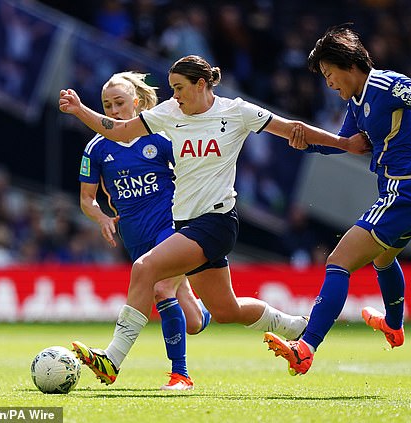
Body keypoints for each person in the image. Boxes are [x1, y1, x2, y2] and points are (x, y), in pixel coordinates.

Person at [58, 55, 371, 386]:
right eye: (172, 89)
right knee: (226, 311)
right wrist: (80, 110)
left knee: (146, 270)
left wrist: (344, 143)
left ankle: (113, 359)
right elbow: (120, 132)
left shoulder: (236, 111)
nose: (174, 95)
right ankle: (298, 326)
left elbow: (292, 128)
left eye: (179, 88)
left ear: (201, 84)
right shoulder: (169, 114)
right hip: (188, 224)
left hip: (216, 221)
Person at [263, 25, 411, 376]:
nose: (329, 84)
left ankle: (306, 347)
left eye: (329, 74)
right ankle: (394, 325)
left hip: (406, 189)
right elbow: (346, 143)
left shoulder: (387, 84)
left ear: (348, 65)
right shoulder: (356, 103)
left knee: (339, 261)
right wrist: (305, 142)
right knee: (382, 259)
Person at [75, 71, 212, 390]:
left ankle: (181, 375)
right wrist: (102, 218)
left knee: (162, 289)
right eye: (107, 105)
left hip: (172, 226)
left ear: (136, 103)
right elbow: (86, 199)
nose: (113, 110)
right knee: (190, 321)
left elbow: (191, 174)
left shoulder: (161, 138)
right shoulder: (96, 148)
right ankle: (202, 314)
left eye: (119, 103)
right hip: (135, 237)